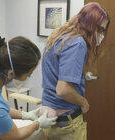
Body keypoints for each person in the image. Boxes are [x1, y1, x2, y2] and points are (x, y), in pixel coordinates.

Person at [41, 2, 110, 140]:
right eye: (100, 29)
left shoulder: (60, 36)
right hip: (66, 125)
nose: (102, 35)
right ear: (90, 25)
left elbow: (57, 73)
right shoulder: (77, 43)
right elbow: (63, 89)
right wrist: (83, 102)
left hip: (48, 118)